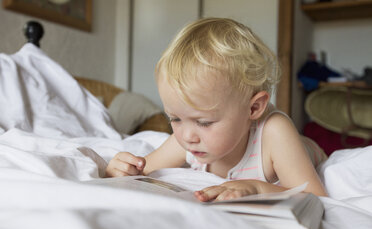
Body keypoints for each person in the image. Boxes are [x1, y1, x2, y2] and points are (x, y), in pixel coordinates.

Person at [106, 17, 328, 201]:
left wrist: (257, 188)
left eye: (204, 122)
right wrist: (123, 169)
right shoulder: (187, 138)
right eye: (174, 118)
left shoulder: (274, 133)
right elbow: (142, 171)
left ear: (253, 108)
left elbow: (314, 196)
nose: (186, 136)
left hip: (304, 149)